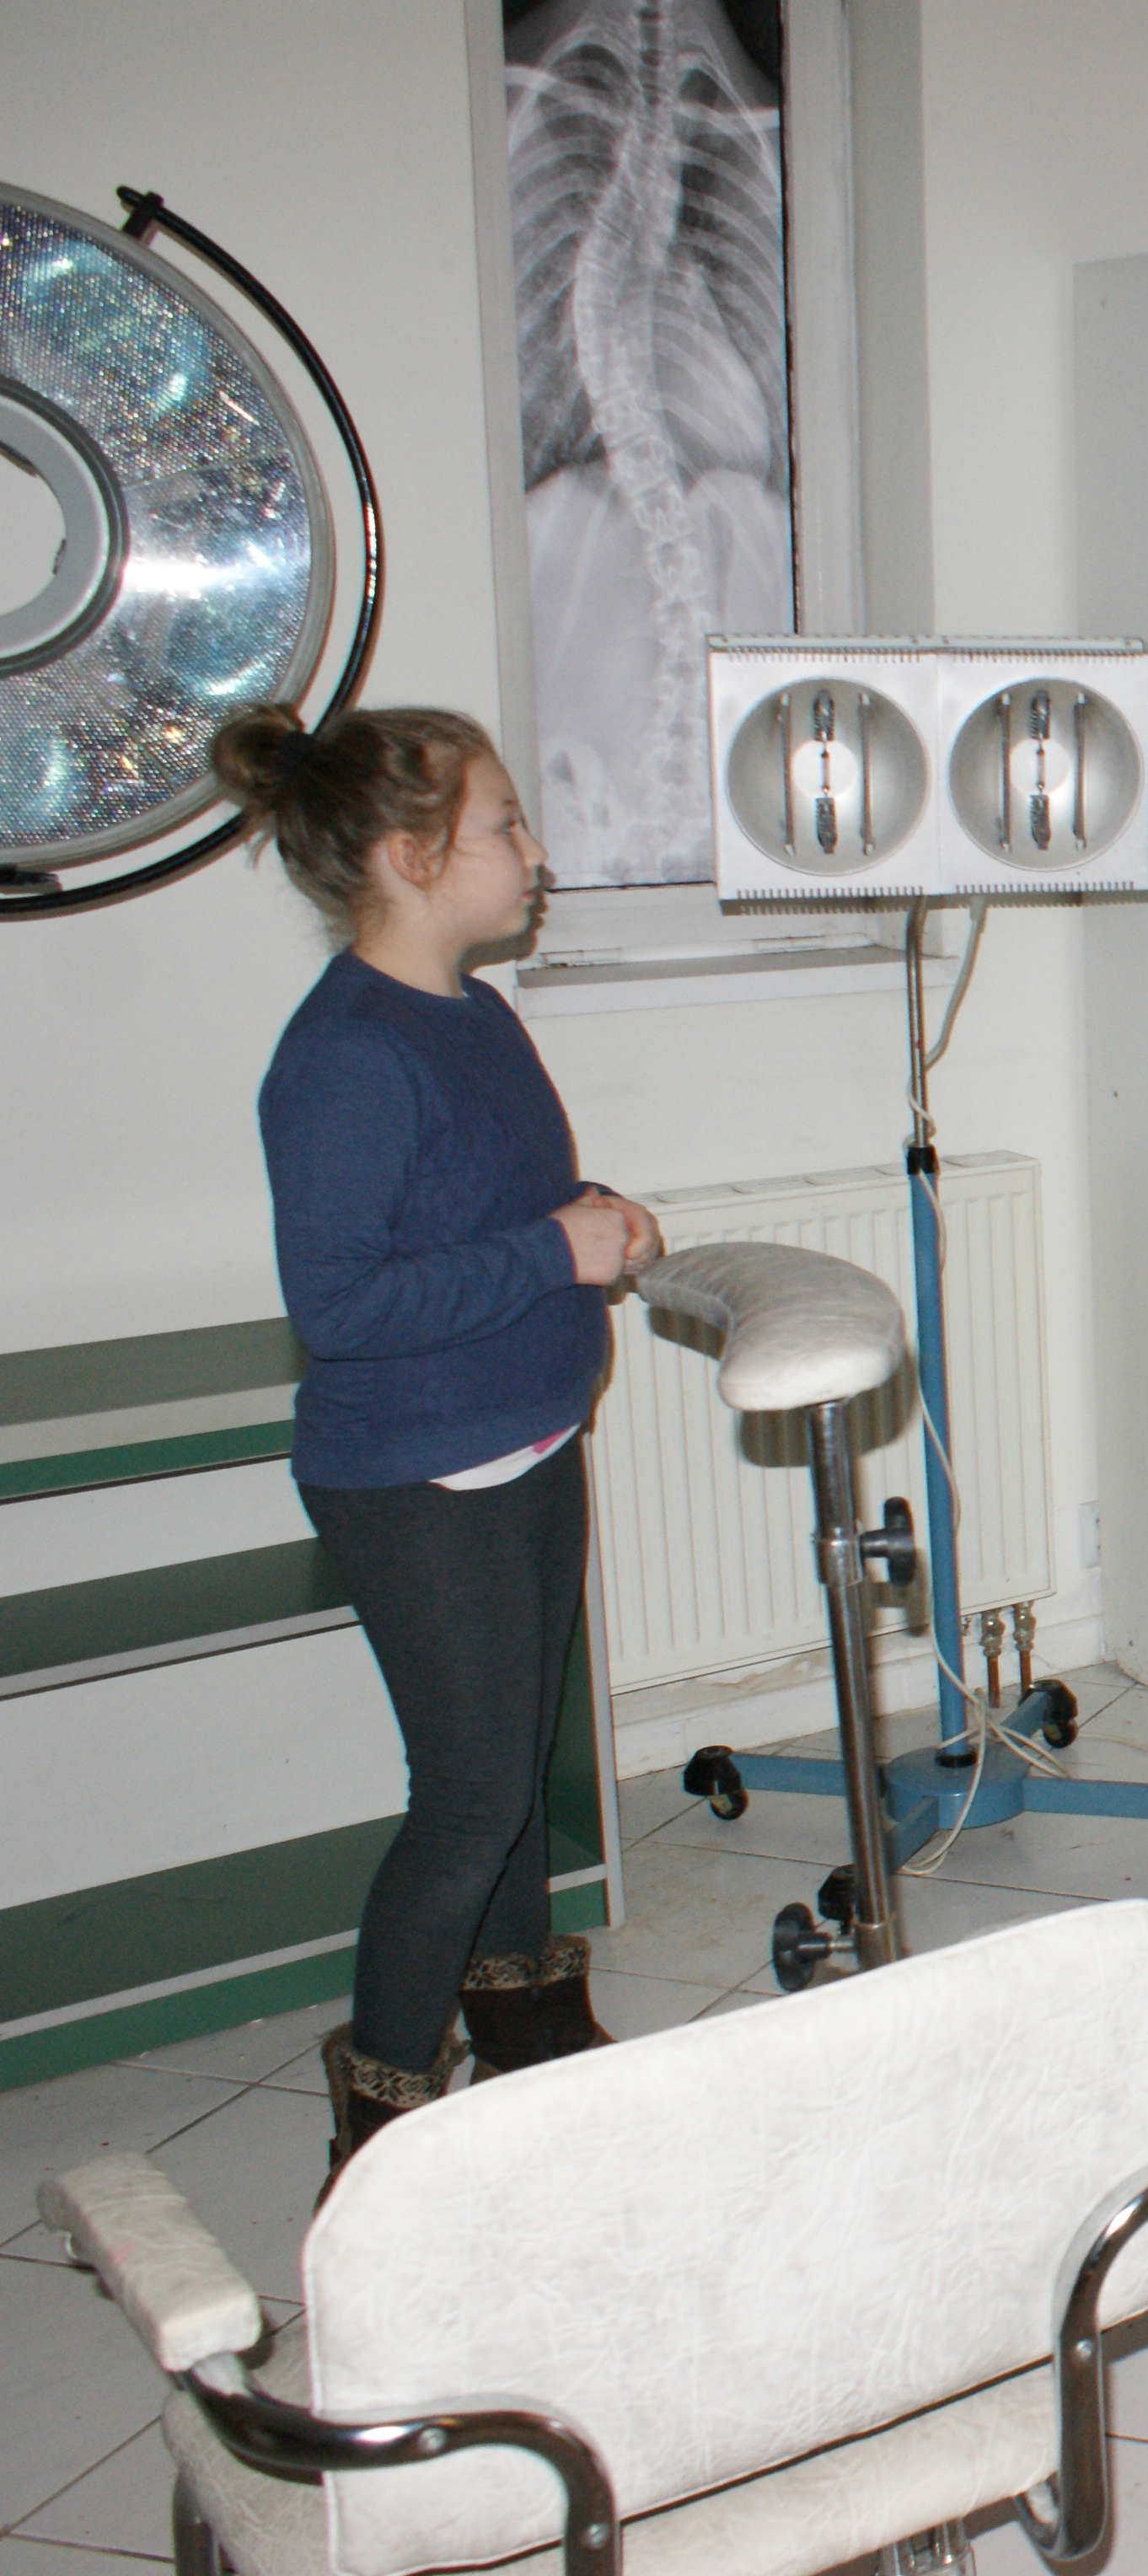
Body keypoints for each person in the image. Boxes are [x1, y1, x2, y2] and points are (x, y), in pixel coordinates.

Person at [223, 702, 663, 2190]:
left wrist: (590, 1218)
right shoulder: (346, 1057)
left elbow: (482, 1216)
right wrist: (554, 1250)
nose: (535, 853)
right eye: (504, 826)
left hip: (522, 1441)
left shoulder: (473, 1012)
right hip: (417, 1478)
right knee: (468, 1802)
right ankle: (385, 2127)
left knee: (514, 1773)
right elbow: (341, 1308)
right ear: (412, 859)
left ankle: (527, 2032)